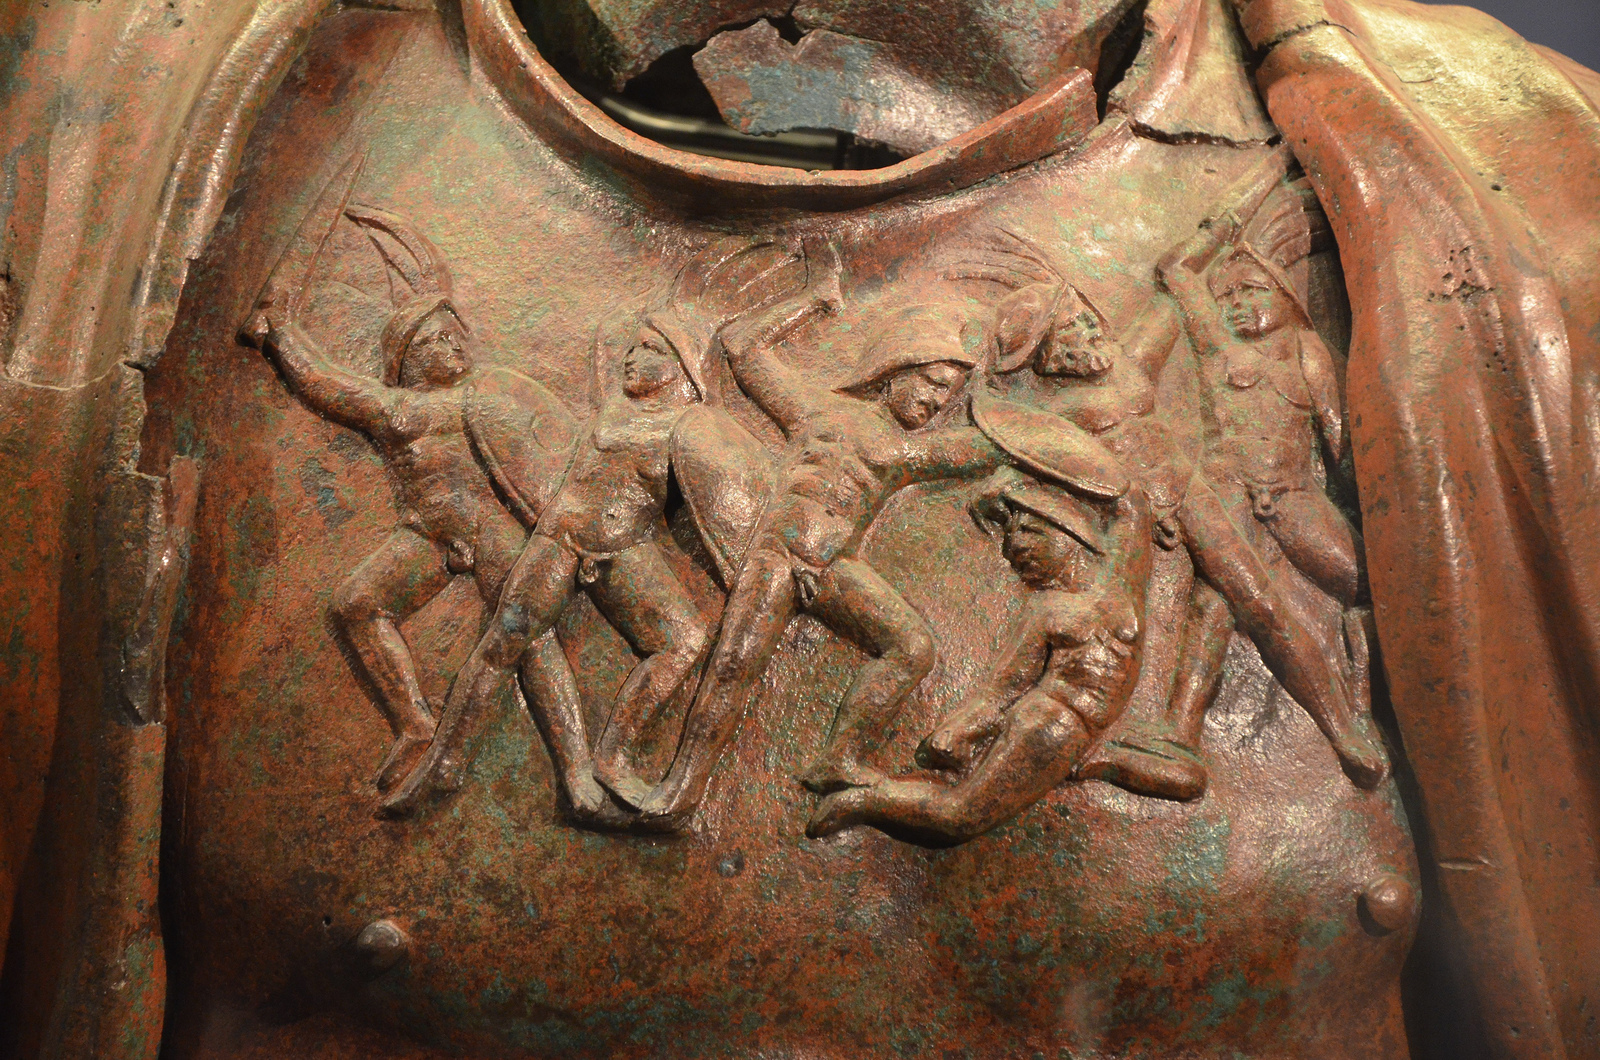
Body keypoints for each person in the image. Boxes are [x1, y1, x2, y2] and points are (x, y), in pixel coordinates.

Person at [379, 241, 798, 819]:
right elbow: (611, 334)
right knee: (505, 640)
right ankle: (446, 764)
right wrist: (682, 295)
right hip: (561, 540)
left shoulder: (694, 430)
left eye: (648, 351)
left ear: (680, 367)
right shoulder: (614, 407)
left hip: (623, 549)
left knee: (685, 641)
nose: (631, 358)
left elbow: (723, 507)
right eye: (634, 348)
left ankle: (613, 754)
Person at [240, 205, 601, 815]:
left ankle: (577, 774)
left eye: (452, 333)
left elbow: (560, 447)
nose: (451, 344)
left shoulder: (495, 391)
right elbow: (324, 382)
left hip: (491, 533)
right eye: (432, 340)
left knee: (525, 636)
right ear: (405, 362)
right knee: (356, 603)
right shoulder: (395, 411)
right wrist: (281, 333)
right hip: (428, 535)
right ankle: (415, 723)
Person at [637, 275, 1008, 831]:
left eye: (947, 394)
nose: (935, 401)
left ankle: (840, 758)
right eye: (930, 383)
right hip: (780, 558)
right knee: (734, 666)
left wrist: (999, 395)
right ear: (893, 371)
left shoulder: (907, 451)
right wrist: (813, 298)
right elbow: (742, 346)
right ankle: (679, 792)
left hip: (834, 567)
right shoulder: (815, 410)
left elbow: (983, 449)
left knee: (912, 647)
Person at [808, 467, 1151, 843]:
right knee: (960, 816)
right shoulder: (1046, 612)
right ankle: (861, 802)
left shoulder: (1120, 577)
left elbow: (1129, 500)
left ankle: (865, 799)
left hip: (1080, 730)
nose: (1014, 550)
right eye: (1012, 542)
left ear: (1068, 534)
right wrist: (961, 730)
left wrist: (1022, 461)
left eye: (1030, 534)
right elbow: (1003, 689)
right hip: (1051, 724)